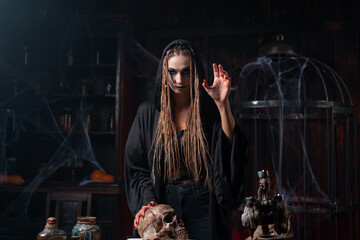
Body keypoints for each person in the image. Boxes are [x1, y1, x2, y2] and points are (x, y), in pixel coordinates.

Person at [124, 39, 249, 240]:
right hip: (164, 204)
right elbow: (137, 168)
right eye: (172, 72)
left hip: (203, 202)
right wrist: (149, 202)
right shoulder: (148, 112)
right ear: (164, 73)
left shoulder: (209, 110)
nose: (179, 79)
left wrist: (222, 104)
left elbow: (229, 147)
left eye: (186, 71)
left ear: (195, 72)